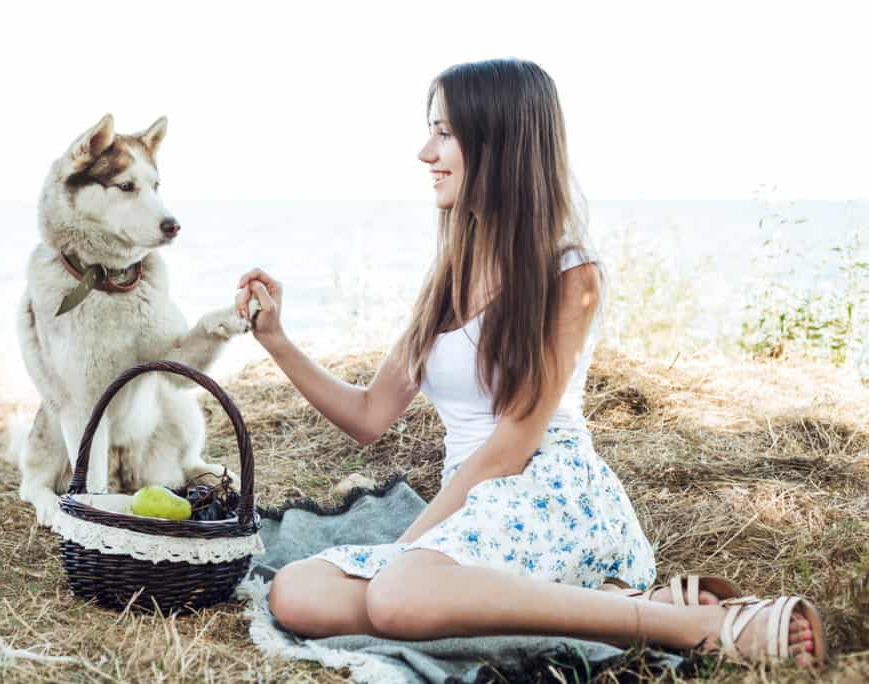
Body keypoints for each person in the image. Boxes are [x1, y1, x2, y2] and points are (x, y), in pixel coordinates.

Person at [233, 58, 824, 667]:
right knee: (297, 592)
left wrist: (405, 550)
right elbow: (368, 415)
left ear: (499, 143)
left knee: (397, 593)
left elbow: (512, 446)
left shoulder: (569, 273)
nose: (425, 152)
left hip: (548, 489)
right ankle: (604, 606)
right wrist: (277, 340)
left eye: (444, 134)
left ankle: (694, 626)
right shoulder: (448, 275)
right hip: (472, 502)